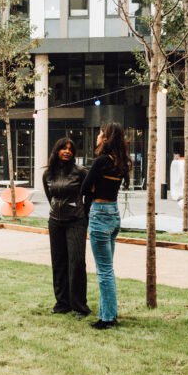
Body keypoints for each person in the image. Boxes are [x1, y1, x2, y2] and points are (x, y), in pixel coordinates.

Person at [81, 123, 128, 330]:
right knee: (107, 268)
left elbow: (85, 187)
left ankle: (108, 318)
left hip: (99, 214)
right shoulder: (121, 163)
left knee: (104, 271)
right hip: (114, 214)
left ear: (106, 138)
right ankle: (106, 313)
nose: (98, 136)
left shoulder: (100, 161)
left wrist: (92, 188)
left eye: (100, 134)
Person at [42, 137, 89, 317]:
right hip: (55, 222)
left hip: (76, 221)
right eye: (63, 148)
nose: (67, 151)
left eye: (70, 148)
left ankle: (79, 306)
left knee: (76, 262)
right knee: (58, 263)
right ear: (57, 150)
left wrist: (82, 212)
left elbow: (87, 195)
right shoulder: (48, 174)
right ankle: (62, 303)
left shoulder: (80, 172)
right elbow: (50, 196)